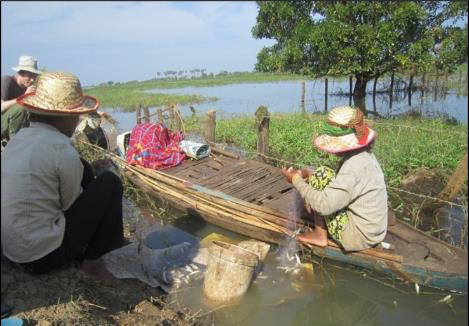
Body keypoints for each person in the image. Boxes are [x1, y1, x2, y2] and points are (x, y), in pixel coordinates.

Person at [1, 71, 125, 282]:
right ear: (64, 117)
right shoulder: (61, 149)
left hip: (11, 250)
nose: (77, 122)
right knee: (110, 183)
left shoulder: (20, 138)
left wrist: (88, 172)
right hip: (41, 258)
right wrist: (99, 180)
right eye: (77, 116)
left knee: (83, 166)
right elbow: (70, 205)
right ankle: (92, 264)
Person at [282, 106, 388, 251]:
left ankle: (320, 236)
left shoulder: (353, 166)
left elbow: (324, 206)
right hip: (374, 232)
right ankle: (321, 232)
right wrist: (307, 173)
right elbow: (345, 184)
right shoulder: (363, 156)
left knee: (321, 176)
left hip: (358, 237)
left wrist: (296, 180)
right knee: (322, 173)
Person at [1, 55, 42, 142]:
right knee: (20, 107)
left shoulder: (27, 88)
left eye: (34, 76)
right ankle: (15, 143)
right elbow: (1, 107)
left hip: (13, 125)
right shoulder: (6, 81)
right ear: (20, 73)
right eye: (29, 76)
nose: (32, 80)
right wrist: (23, 97)